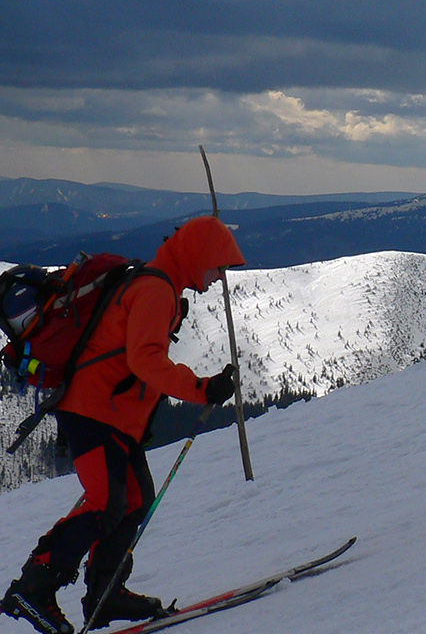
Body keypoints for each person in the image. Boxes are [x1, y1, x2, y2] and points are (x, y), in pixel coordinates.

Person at [2, 216, 245, 634]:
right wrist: (203, 388)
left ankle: (105, 592)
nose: (219, 277)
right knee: (106, 503)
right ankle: (34, 588)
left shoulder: (158, 284)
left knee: (132, 500)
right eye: (218, 266)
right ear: (198, 257)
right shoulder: (155, 290)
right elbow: (145, 361)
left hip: (108, 415)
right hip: (92, 412)